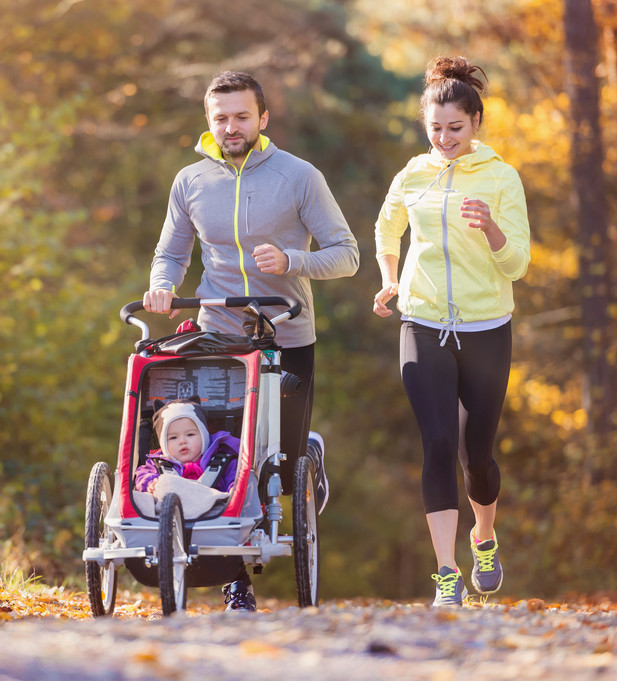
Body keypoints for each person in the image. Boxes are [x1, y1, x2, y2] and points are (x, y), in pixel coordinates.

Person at [143, 70, 359, 610]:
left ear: (263, 119)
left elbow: (347, 254)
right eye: (221, 118)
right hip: (218, 336)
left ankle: (305, 450)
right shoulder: (190, 181)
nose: (231, 127)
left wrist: (293, 261)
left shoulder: (298, 176)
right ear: (208, 122)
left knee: (279, 470)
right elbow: (171, 253)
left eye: (242, 116)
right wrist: (162, 287)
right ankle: (237, 580)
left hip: (286, 331)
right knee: (222, 458)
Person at [372, 56, 531, 607]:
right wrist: (390, 280)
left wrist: (490, 228)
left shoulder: (502, 177)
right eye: (435, 128)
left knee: (476, 456)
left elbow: (518, 266)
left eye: (455, 128)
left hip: (487, 328)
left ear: (476, 123)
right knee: (437, 444)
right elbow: (386, 227)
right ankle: (446, 573)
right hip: (422, 321)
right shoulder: (412, 174)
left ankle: (483, 536)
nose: (444, 139)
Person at [134, 398, 240, 495]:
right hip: (170, 510)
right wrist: (151, 483)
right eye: (173, 438)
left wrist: (234, 490)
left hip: (217, 511)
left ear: (204, 437)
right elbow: (142, 475)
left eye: (190, 435)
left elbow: (235, 480)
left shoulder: (224, 462)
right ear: (164, 444)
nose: (182, 441)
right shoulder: (156, 465)